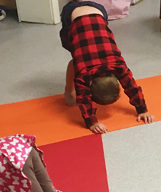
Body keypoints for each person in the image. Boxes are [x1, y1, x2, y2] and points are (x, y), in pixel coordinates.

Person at [60, 1, 154, 134]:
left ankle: (70, 88)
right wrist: (92, 122)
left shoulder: (118, 66)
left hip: (98, 11)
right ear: (90, 84)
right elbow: (83, 98)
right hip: (74, 13)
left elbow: (132, 86)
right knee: (76, 58)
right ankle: (68, 91)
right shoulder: (84, 73)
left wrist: (143, 110)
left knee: (78, 59)